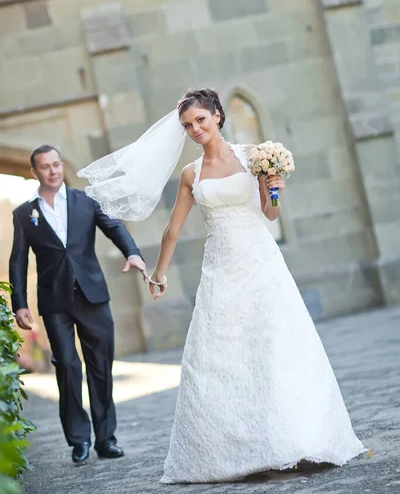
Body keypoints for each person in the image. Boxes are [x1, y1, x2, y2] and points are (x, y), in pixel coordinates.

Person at [147, 88, 365, 483]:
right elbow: (172, 230)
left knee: (277, 343)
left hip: (262, 262)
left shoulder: (255, 156)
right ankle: (235, 449)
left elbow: (270, 211)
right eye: (187, 126)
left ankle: (298, 438)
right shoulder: (190, 174)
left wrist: (275, 187)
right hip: (221, 267)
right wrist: (158, 273)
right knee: (222, 353)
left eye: (200, 120)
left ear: (217, 115)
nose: (195, 129)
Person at [9, 144, 147, 465]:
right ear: (35, 173)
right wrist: (20, 303)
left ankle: (106, 438)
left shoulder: (86, 200)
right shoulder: (24, 214)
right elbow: (17, 261)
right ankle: (79, 439)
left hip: (92, 295)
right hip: (55, 302)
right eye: (45, 167)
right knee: (68, 368)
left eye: (57, 164)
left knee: (100, 367)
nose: (53, 170)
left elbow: (113, 227)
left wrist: (133, 253)